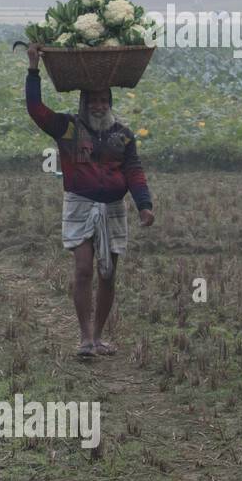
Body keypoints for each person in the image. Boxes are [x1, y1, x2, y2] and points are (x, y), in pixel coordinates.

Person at [25, 44, 154, 358]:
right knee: (84, 269)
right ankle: (84, 338)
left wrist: (144, 204)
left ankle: (98, 336)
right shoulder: (67, 127)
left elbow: (133, 170)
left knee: (108, 273)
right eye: (92, 101)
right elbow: (35, 109)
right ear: (83, 104)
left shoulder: (122, 135)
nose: (97, 106)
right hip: (79, 205)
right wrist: (33, 70)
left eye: (102, 101)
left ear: (109, 104)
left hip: (112, 209)